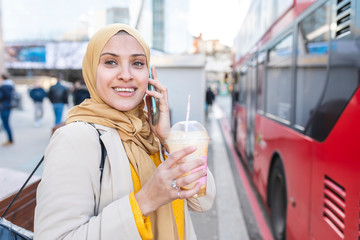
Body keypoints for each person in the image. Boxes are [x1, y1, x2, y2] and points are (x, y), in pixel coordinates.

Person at [34, 23, 216, 240]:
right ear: (92, 69)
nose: (126, 75)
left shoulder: (151, 134)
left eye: (137, 63)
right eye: (111, 62)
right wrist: (145, 200)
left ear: (148, 73)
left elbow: (202, 200)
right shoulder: (74, 139)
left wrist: (168, 137)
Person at [0, 74, 15, 146]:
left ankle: (10, 140)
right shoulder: (11, 86)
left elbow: (2, 97)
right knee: (6, 124)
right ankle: (10, 139)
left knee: (6, 124)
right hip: (8, 107)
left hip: (4, 107)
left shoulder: (3, 87)